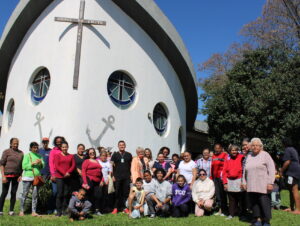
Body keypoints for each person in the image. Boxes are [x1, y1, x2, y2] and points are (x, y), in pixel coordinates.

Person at [242, 138, 275, 226]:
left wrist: (270, 183)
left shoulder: (265, 155)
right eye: (253, 145)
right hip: (251, 185)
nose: (255, 147)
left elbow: (272, 169)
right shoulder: (249, 156)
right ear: (251, 147)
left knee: (264, 203)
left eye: (257, 145)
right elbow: (245, 170)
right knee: (254, 203)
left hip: (263, 185)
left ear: (261, 146)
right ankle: (257, 220)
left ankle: (266, 221)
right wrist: (244, 182)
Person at [19, 142, 44, 216]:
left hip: (36, 177)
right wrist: (32, 164)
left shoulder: (39, 156)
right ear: (30, 148)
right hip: (28, 177)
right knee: (25, 193)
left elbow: (42, 166)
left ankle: (33, 211)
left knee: (35, 195)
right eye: (34, 147)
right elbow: (24, 166)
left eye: (37, 147)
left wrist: (40, 163)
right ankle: (21, 210)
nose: (36, 149)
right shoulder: (27, 155)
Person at [0, 138, 23, 216]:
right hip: (7, 175)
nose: (15, 145)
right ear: (10, 144)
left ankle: (11, 211)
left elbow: (21, 166)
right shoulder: (6, 152)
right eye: (14, 143)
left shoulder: (21, 153)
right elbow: (2, 164)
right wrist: (3, 176)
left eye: (17, 143)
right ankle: (0, 210)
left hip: (16, 176)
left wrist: (21, 175)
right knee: (4, 193)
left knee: (13, 193)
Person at [222, 145, 244, 220]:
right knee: (231, 199)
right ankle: (231, 214)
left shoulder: (242, 157)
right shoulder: (227, 158)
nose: (234, 151)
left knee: (240, 199)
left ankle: (242, 214)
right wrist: (225, 183)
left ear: (237, 151)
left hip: (239, 179)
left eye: (235, 150)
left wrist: (243, 181)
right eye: (232, 150)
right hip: (229, 180)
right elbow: (224, 171)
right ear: (229, 151)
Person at [54, 141, 75, 216]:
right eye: (63, 147)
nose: (64, 148)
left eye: (65, 147)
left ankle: (64, 210)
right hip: (60, 177)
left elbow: (73, 165)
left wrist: (68, 172)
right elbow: (57, 166)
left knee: (66, 194)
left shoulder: (71, 156)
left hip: (68, 177)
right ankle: (58, 211)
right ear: (61, 148)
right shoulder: (57, 155)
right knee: (60, 194)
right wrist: (64, 173)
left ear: (68, 147)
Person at [111, 140, 132, 214]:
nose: (122, 146)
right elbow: (111, 165)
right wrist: (112, 175)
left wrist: (131, 175)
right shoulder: (115, 154)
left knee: (125, 193)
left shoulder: (129, 154)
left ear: (125, 146)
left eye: (123, 145)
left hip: (126, 177)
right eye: (120, 145)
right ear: (118, 146)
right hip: (117, 177)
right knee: (117, 193)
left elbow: (131, 166)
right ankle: (115, 208)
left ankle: (124, 207)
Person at [280, 137, 300, 214]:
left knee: (294, 190)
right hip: (295, 172)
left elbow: (287, 162)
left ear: (284, 143)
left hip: (293, 172)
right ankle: (291, 208)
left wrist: (281, 171)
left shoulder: (287, 150)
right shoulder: (293, 149)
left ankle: (298, 209)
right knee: (291, 190)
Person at [82, 148, 103, 215]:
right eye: (90, 153)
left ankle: (97, 210)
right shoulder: (86, 161)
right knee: (89, 196)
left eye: (93, 152)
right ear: (88, 154)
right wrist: (85, 182)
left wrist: (102, 180)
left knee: (98, 196)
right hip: (90, 180)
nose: (92, 154)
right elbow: (83, 172)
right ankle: (87, 210)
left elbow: (101, 171)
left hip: (98, 181)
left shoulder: (97, 161)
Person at [48, 136, 65, 213]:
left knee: (61, 192)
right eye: (57, 141)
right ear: (55, 142)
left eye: (60, 141)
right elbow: (51, 163)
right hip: (55, 174)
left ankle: (60, 208)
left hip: (63, 175)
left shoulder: (64, 150)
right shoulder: (53, 151)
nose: (59, 142)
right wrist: (52, 174)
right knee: (55, 192)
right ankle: (51, 207)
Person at [211, 143, 228, 216]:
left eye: (218, 148)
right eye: (215, 148)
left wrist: (224, 177)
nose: (217, 149)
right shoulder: (213, 156)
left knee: (223, 194)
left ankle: (225, 210)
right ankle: (220, 209)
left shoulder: (225, 155)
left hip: (222, 178)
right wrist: (212, 177)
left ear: (221, 149)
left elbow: (226, 166)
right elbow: (212, 167)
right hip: (215, 178)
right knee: (218, 194)